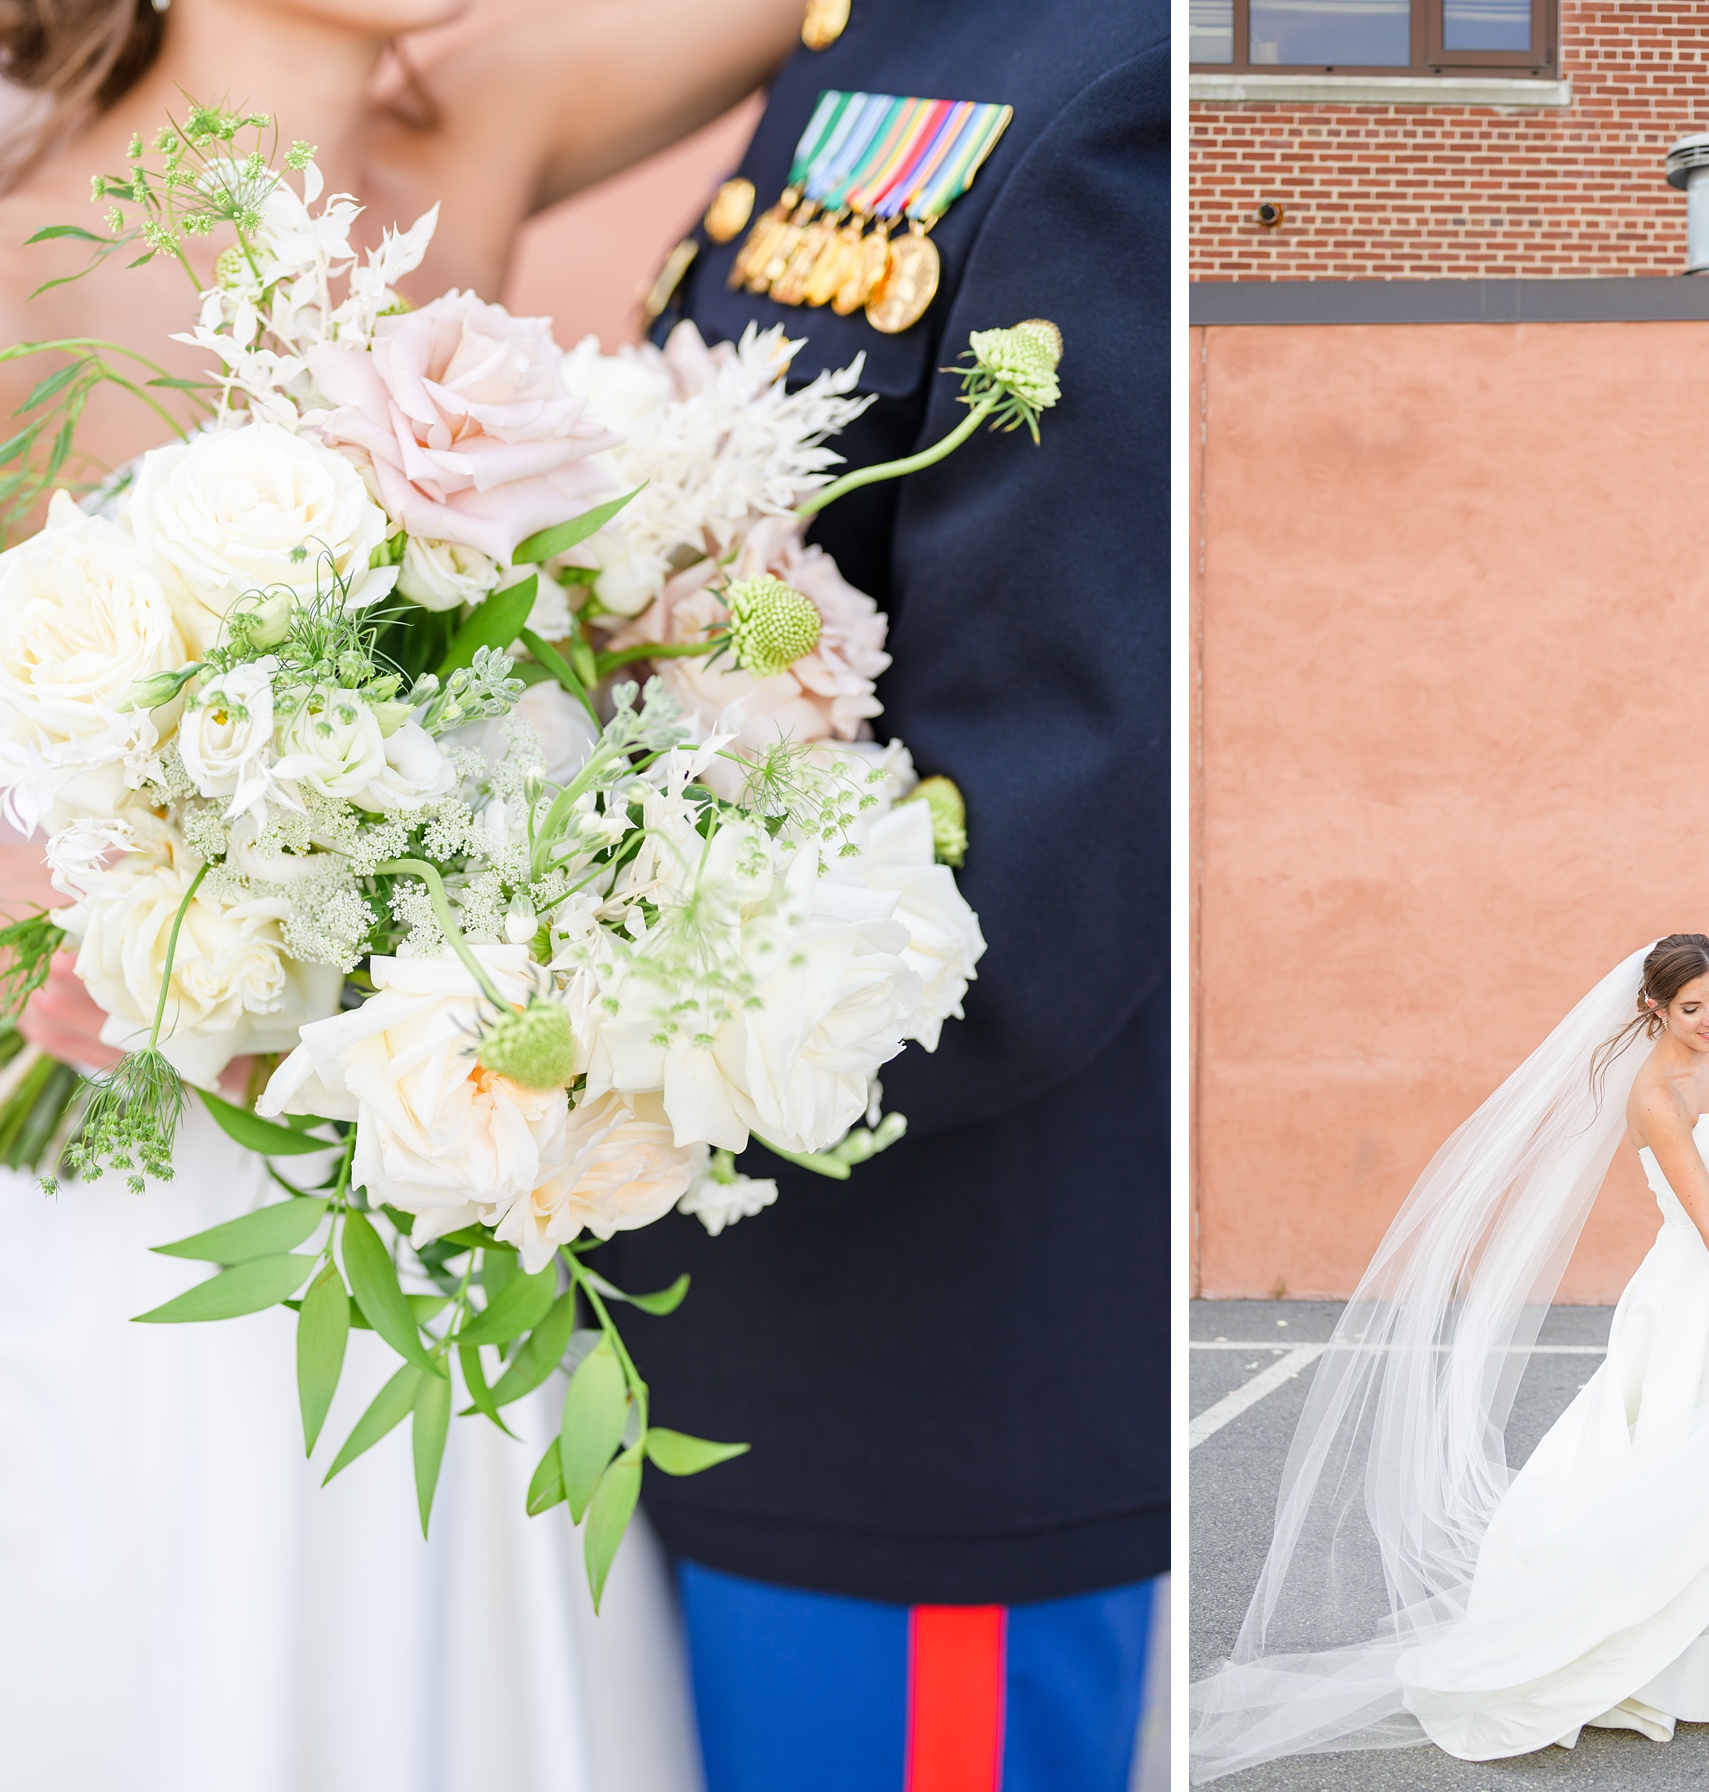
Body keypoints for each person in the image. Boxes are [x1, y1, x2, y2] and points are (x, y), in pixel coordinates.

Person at [0, 3, 821, 1787]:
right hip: (140, 1167)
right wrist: (28, 914)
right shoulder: (9, 250)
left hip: (430, 1144)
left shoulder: (466, 126)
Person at [594, 3, 1171, 1787]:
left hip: (927, 1381)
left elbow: (1036, 839)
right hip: (722, 1322)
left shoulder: (1109, 86)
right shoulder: (866, 37)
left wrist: (514, 1025)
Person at [1190, 935, 1709, 1783]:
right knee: (1684, 1457)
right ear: (1653, 1007)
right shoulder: (1654, 1095)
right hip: (1705, 1290)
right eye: (1691, 1007)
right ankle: (1670, 1657)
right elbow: (1708, 1223)